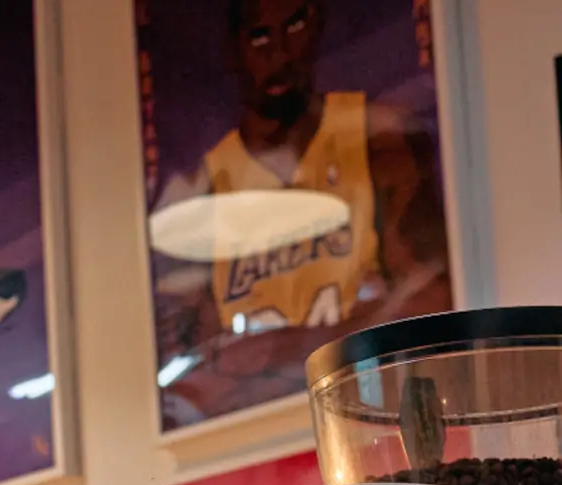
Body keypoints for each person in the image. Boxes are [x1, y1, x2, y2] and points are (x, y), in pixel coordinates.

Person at [158, 0, 450, 424]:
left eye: (294, 26)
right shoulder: (203, 191)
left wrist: (289, 349)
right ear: (232, 51)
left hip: (367, 414)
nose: (279, 53)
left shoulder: (374, 137)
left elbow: (431, 302)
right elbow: (198, 366)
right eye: (259, 36)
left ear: (317, 26)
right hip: (263, 432)